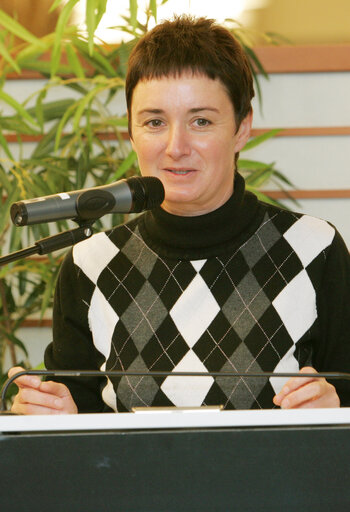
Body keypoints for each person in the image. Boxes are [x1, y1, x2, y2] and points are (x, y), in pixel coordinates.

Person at [9, 15, 350, 414]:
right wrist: (50, 417)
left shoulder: (314, 248)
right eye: (155, 122)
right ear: (132, 132)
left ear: (242, 128)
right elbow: (76, 430)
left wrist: (339, 406)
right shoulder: (90, 264)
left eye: (200, 121)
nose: (176, 146)